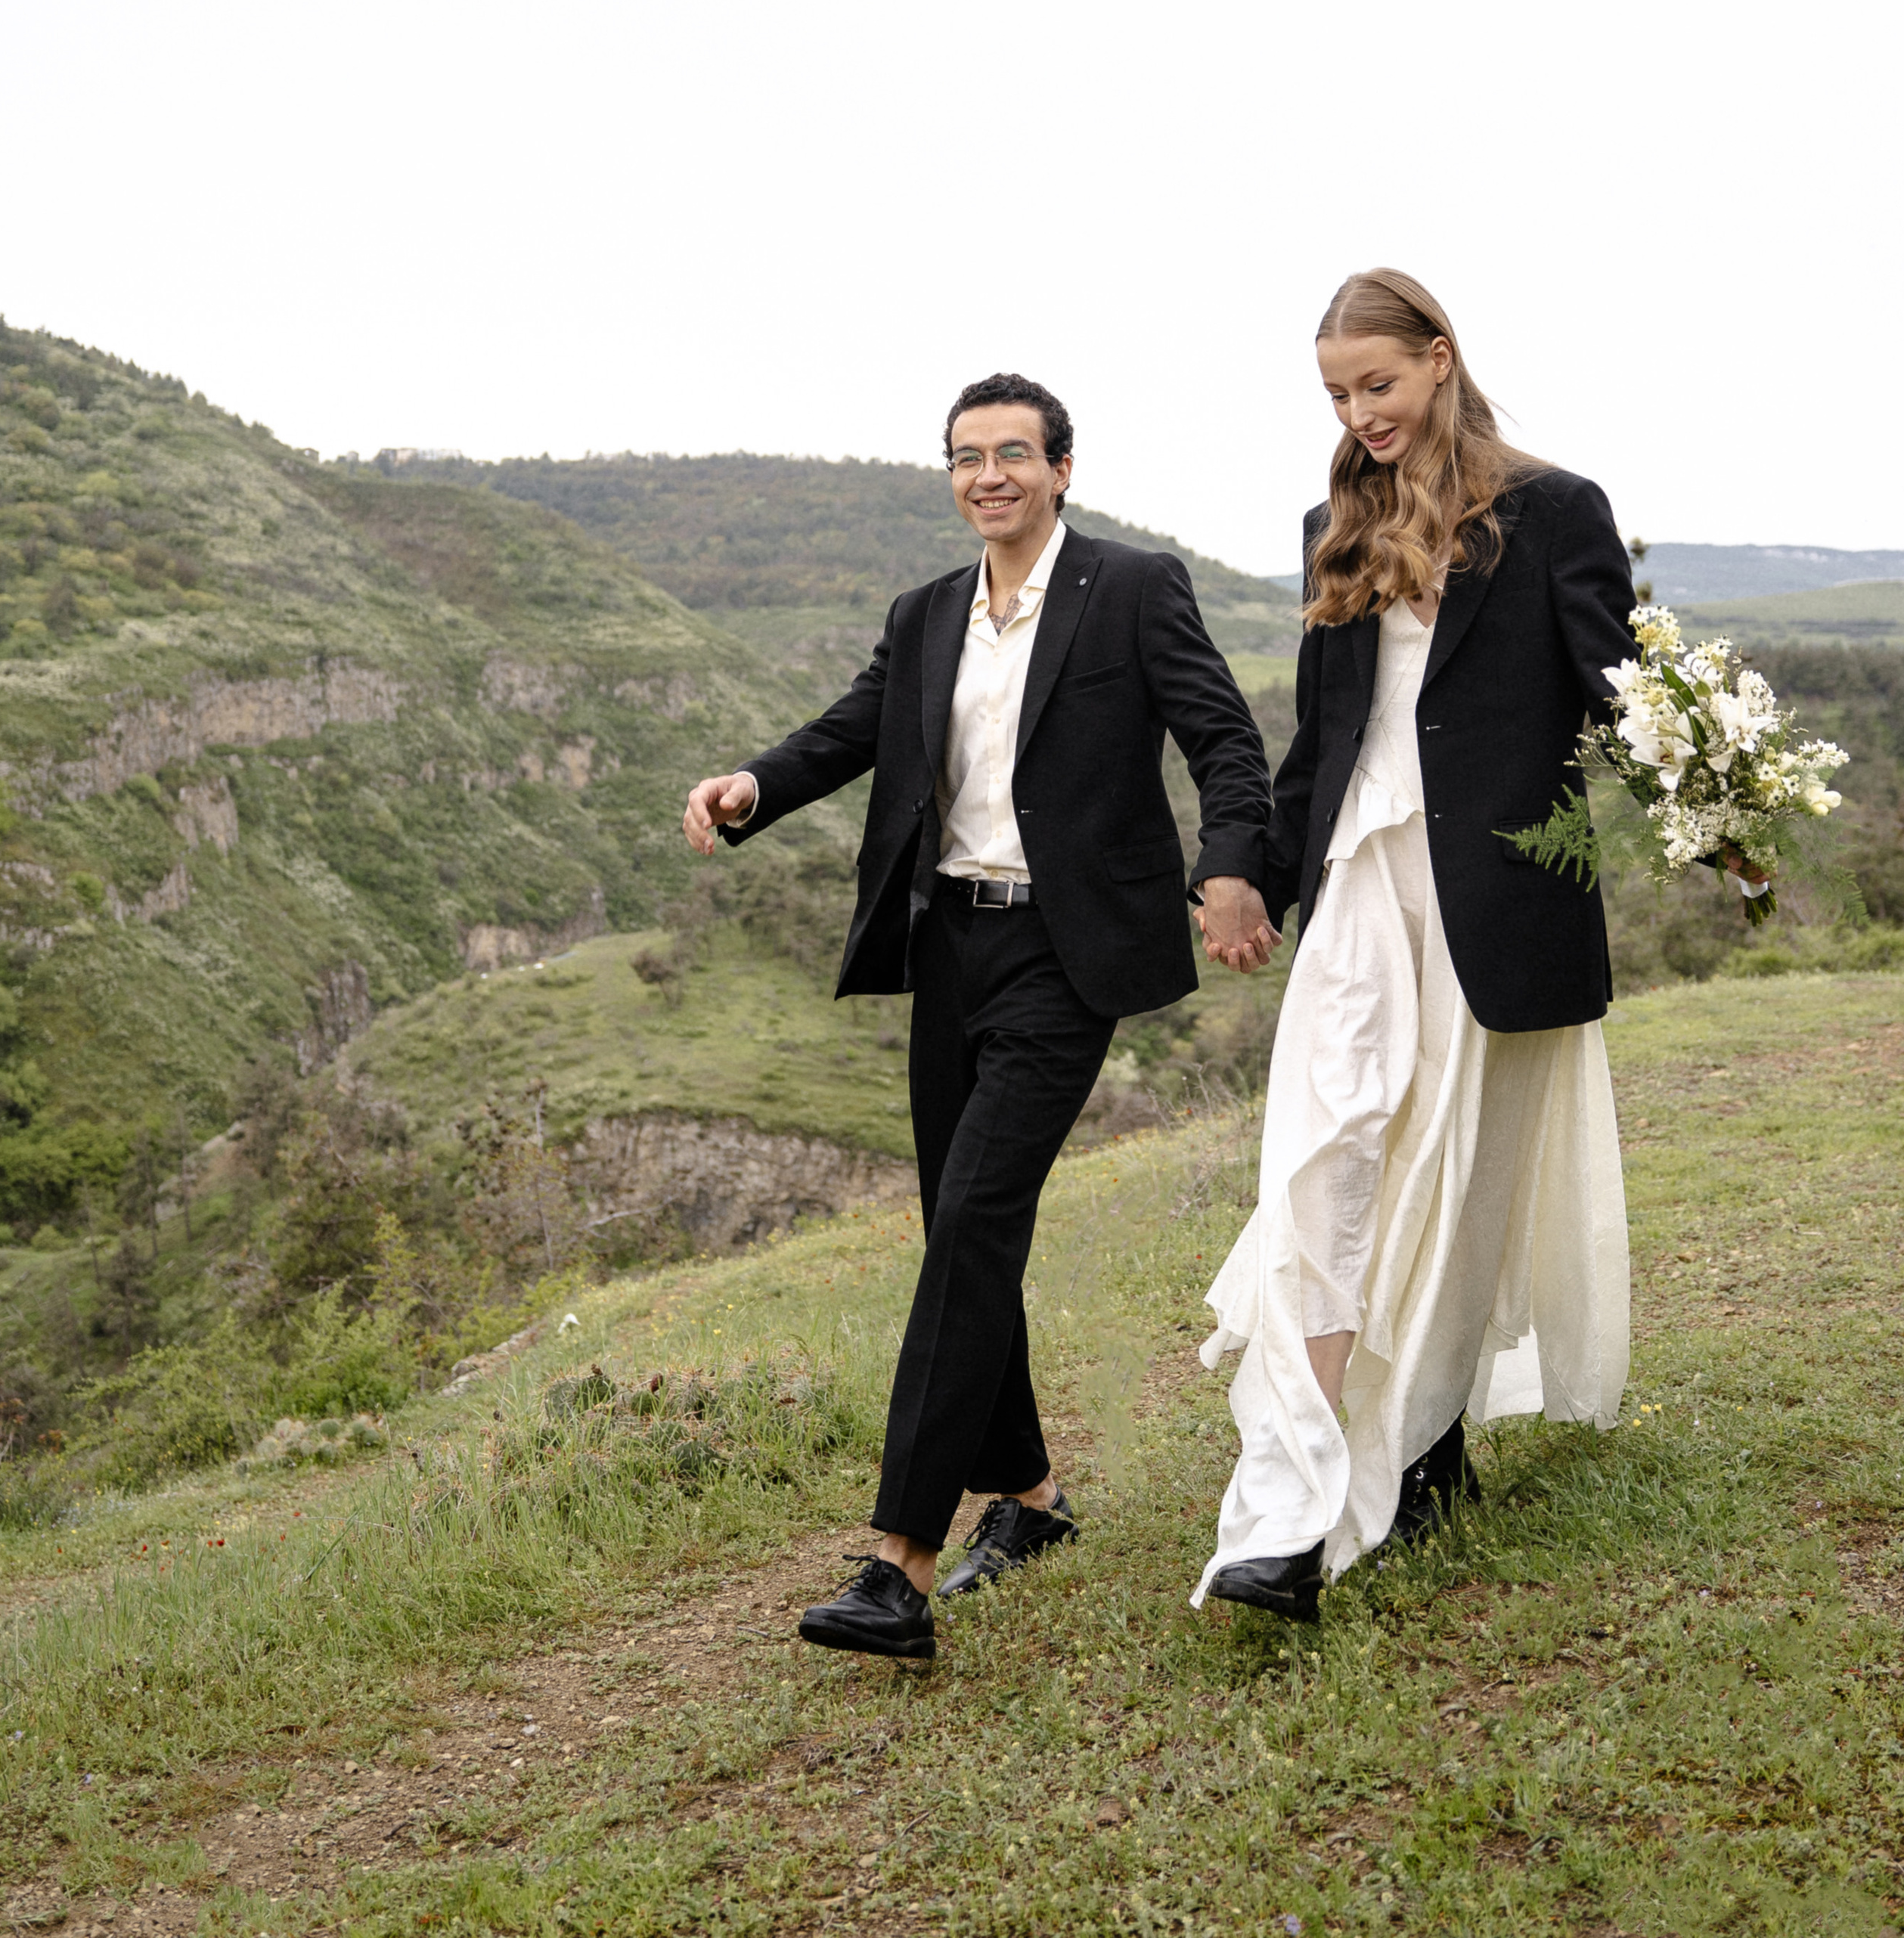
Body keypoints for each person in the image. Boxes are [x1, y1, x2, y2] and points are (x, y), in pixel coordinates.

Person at [682, 371, 1276, 1662]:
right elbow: (853, 731)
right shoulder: (929, 611)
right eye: (966, 457)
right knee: (964, 1224)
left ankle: (898, 1561)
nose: (988, 475)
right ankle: (1033, 1497)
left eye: (1014, 453)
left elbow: (1225, 740)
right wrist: (752, 785)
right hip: (950, 942)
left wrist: (1230, 865)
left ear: (1063, 467)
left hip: (1070, 950)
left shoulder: (1132, 588)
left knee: (973, 1217)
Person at [1194, 270, 1634, 1622]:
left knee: (1446, 1181)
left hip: (1493, 906)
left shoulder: (1556, 511)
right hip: (1356, 892)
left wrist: (1717, 804)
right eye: (1337, 393)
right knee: (1325, 1161)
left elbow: (1625, 699)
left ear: (1440, 360)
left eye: (1375, 384)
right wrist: (1241, 870)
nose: (1358, 413)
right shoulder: (1338, 524)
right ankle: (1292, 1508)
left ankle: (1424, 1438)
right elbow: (1320, 742)